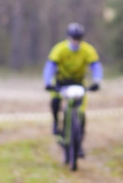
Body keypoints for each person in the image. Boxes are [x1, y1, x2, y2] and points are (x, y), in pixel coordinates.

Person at [43, 22, 103, 154]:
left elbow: (96, 66)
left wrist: (97, 81)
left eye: (78, 39)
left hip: (78, 83)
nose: (75, 41)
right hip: (61, 81)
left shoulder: (87, 50)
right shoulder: (60, 49)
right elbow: (50, 66)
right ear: (68, 37)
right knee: (55, 101)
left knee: (80, 113)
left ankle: (78, 143)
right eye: (73, 38)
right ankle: (55, 121)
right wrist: (47, 82)